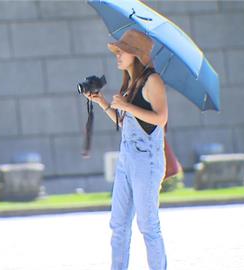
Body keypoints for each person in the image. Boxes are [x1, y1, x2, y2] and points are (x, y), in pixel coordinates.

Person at [85, 29, 168, 270]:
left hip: (147, 162)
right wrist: (103, 103)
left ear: (135, 54)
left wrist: (127, 106)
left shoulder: (153, 81)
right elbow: (125, 123)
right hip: (127, 160)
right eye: (117, 52)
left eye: (122, 52)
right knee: (118, 225)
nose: (117, 56)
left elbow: (160, 119)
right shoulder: (129, 84)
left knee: (148, 225)